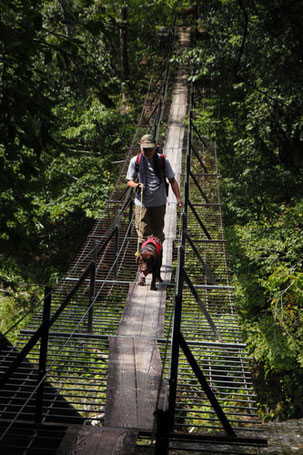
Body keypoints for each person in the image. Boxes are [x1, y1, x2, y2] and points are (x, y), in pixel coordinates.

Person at [126, 133, 183, 245]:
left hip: (159, 202)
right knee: (143, 235)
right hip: (142, 202)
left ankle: (157, 257)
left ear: (155, 147)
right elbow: (129, 181)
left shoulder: (163, 161)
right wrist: (136, 185)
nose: (147, 152)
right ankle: (145, 259)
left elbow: (172, 180)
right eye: (145, 149)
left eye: (150, 149)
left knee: (158, 234)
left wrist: (178, 198)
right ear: (141, 147)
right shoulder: (135, 161)